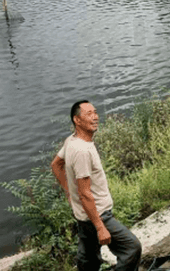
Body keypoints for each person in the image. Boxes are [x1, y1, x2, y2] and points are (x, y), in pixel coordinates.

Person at [51, 100, 142, 271]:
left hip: (83, 217)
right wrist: (100, 226)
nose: (95, 117)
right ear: (77, 120)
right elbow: (85, 194)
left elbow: (56, 164)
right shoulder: (82, 151)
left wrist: (69, 193)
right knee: (131, 248)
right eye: (89, 114)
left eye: (95, 112)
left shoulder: (72, 141)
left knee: (89, 261)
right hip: (98, 215)